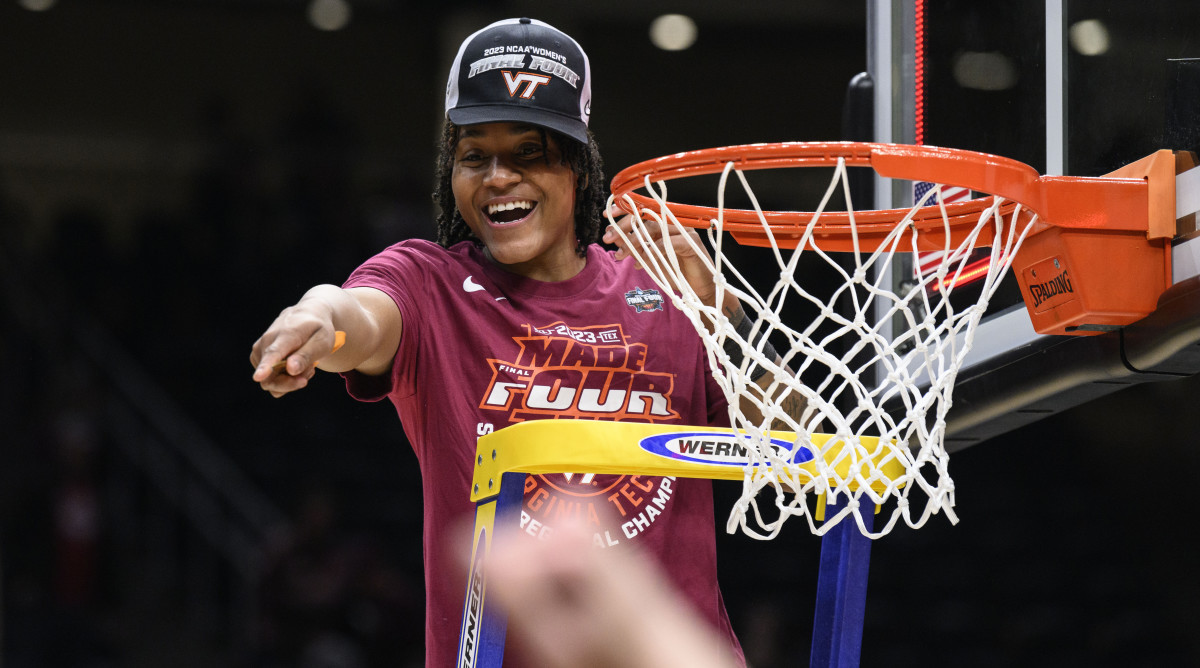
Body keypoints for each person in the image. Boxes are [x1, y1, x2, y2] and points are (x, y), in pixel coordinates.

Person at [251, 17, 782, 666]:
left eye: (529, 152)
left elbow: (791, 445)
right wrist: (314, 315)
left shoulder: (666, 289)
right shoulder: (429, 287)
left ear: (581, 164)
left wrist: (727, 319)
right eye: (475, 155)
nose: (498, 176)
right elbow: (358, 315)